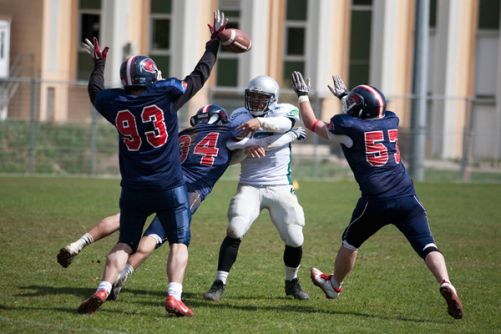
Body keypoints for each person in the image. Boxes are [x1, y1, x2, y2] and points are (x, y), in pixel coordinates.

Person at [58, 104, 306, 299]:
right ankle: (124, 274)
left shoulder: (182, 135)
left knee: (123, 219)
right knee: (154, 238)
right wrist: (293, 134)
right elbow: (261, 143)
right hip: (186, 193)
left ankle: (79, 243)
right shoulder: (225, 133)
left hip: (159, 182)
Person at [76, 10, 228, 317]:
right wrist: (213, 44)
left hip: (133, 187)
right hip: (170, 185)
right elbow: (197, 78)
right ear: (150, 78)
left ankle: (103, 287)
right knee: (179, 242)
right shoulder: (164, 94)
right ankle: (174, 296)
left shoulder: (113, 103)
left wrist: (98, 64)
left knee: (125, 242)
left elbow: (95, 91)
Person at [290, 71, 464, 319]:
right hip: (407, 196)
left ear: (359, 110)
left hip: (376, 200)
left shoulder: (348, 128)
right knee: (427, 245)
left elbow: (312, 124)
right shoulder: (391, 120)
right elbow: (362, 118)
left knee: (350, 242)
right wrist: (344, 96)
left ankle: (334, 285)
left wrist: (303, 96)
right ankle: (446, 282)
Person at [204, 75, 310, 302]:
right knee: (235, 227)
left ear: (273, 100)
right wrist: (248, 145)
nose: (256, 103)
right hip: (250, 184)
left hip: (280, 186)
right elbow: (230, 145)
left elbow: (286, 124)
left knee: (295, 236)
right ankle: (219, 282)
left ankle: (292, 281)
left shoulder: (285, 111)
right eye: (252, 97)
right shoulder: (239, 115)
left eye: (262, 99)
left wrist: (261, 125)